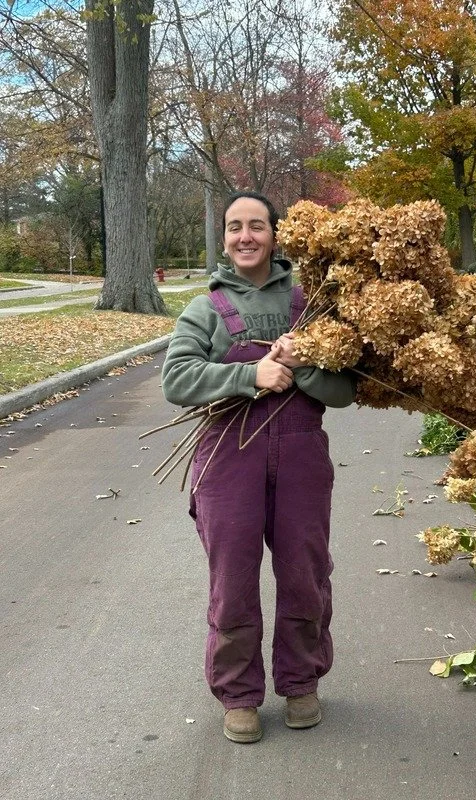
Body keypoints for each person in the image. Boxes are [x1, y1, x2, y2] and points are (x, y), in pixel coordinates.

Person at [161, 191, 355, 743]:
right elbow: (177, 380)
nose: (245, 236)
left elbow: (343, 391)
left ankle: (300, 683)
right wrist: (250, 377)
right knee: (233, 580)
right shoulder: (205, 310)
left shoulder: (312, 305)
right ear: (224, 237)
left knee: (305, 574)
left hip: (301, 456)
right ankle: (239, 695)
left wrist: (303, 368)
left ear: (276, 233)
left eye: (257, 226)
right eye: (234, 227)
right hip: (227, 458)